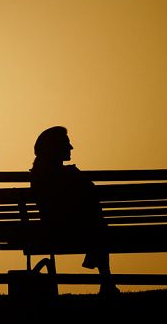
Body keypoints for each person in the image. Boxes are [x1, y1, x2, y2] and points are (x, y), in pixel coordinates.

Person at [29, 126, 120, 296]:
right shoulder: (65, 176)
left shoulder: (39, 175)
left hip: (54, 231)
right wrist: (76, 176)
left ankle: (106, 283)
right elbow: (90, 193)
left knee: (97, 227)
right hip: (67, 232)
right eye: (67, 143)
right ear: (55, 148)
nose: (71, 147)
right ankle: (106, 282)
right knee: (99, 228)